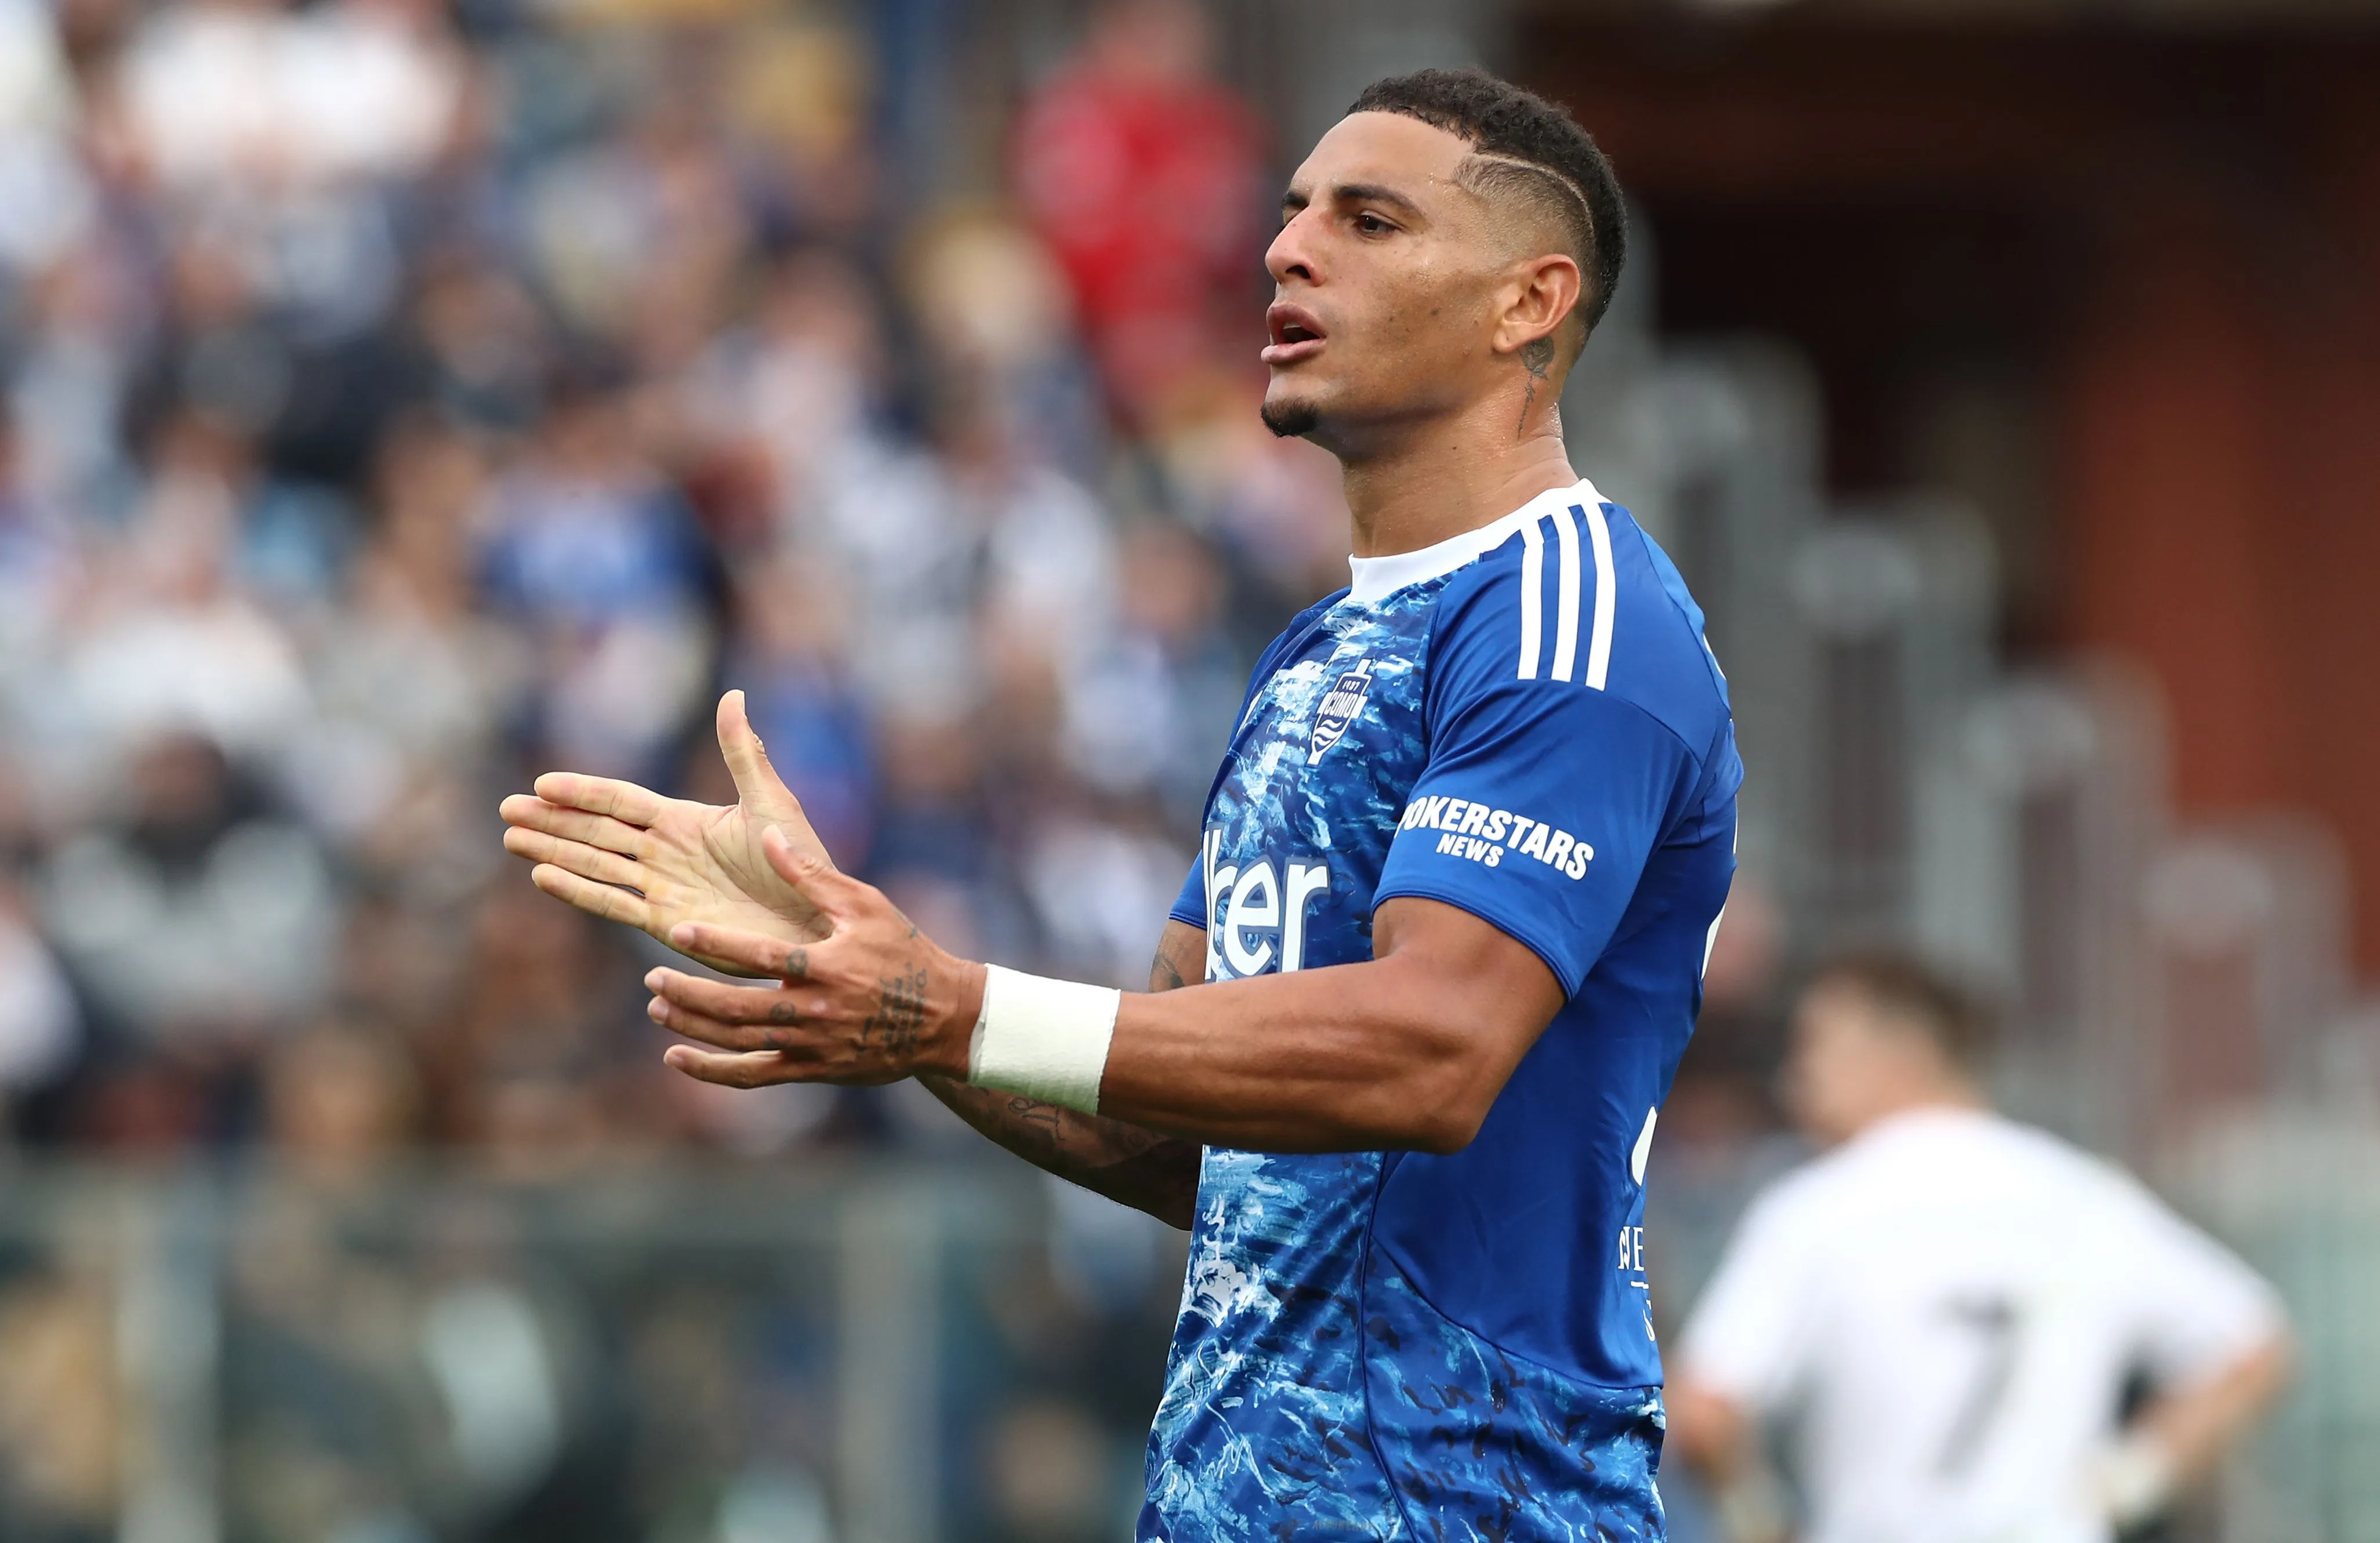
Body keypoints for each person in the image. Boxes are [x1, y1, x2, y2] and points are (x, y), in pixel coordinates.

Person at [500, 68, 1739, 1538]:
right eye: (1288, 215)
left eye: (1369, 219)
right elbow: (1186, 1145)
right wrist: (877, 985)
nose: (1288, 251)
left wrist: (955, 1009)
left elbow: (1433, 1050)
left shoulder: (1566, 614)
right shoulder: (1311, 656)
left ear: (1527, 304)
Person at [1664, 955, 2291, 1543]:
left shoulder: (1816, 1209)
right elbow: (2253, 1346)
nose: (1794, 1077)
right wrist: (2123, 1484)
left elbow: (1706, 1409)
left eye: (1816, 1047)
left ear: (1900, 1051)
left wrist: (1762, 1521)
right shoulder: (2085, 1197)